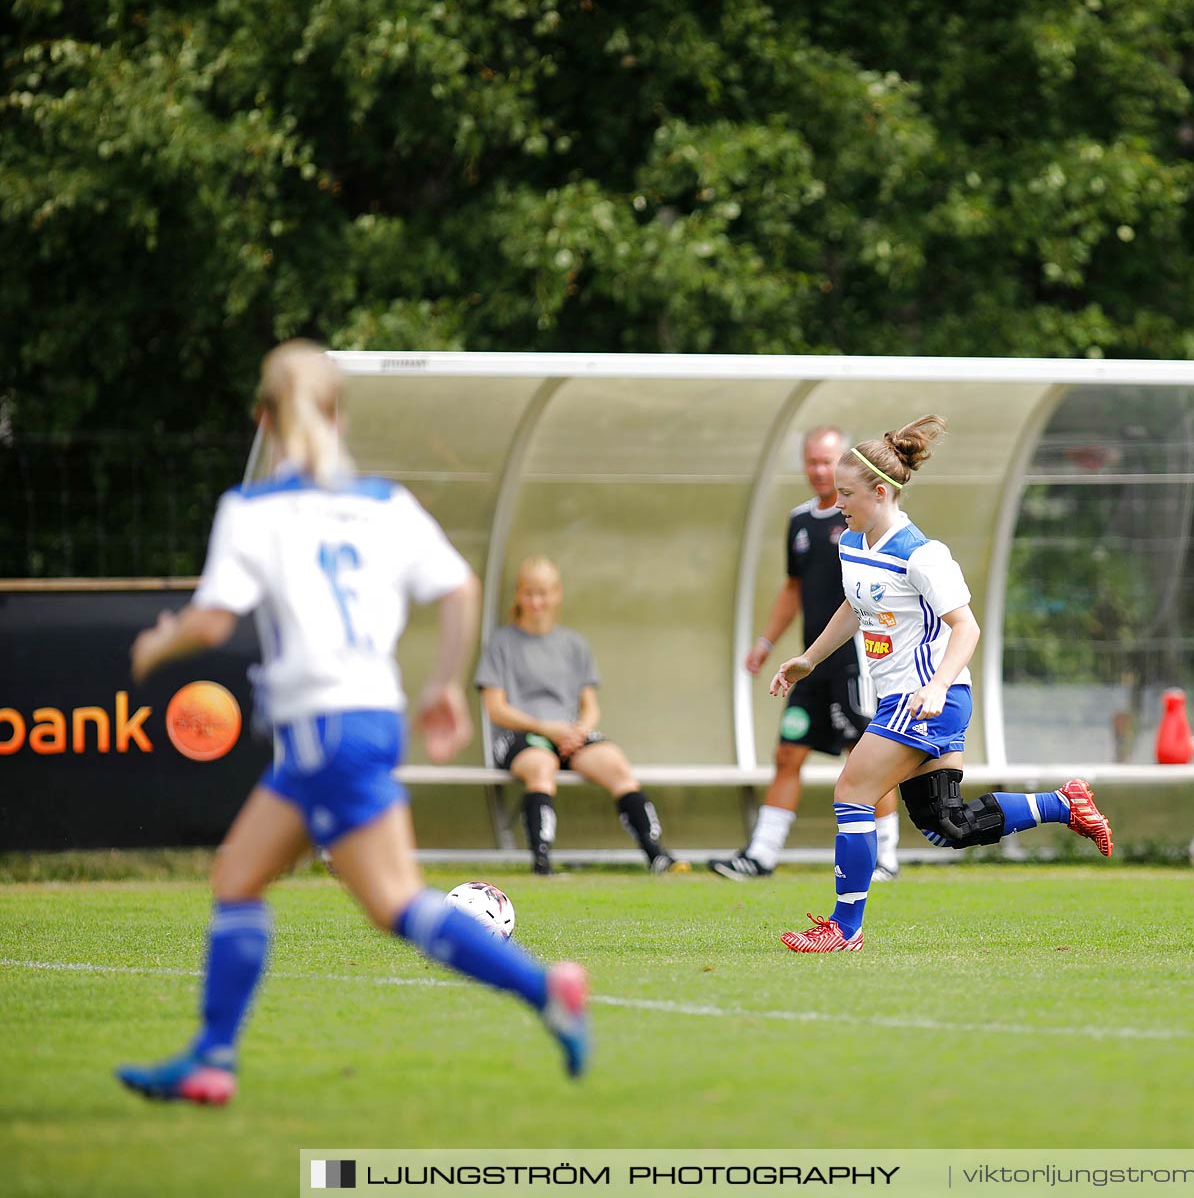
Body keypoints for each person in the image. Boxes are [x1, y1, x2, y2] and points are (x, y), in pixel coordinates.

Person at [116, 342, 587, 1106]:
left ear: (265, 420)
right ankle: (212, 1058)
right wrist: (439, 685)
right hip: (365, 719)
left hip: (323, 728)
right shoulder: (385, 503)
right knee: (241, 877)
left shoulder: (253, 509)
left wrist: (152, 644)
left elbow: (208, 624)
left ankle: (544, 989)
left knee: (396, 903)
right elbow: (462, 588)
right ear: (337, 413)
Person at [768, 416, 1114, 953]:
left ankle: (844, 928)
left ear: (881, 492)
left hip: (929, 699)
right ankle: (1064, 804)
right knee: (945, 824)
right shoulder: (854, 543)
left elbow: (966, 627)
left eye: (848, 494)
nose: (839, 503)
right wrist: (808, 660)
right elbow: (855, 608)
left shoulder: (923, 554)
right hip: (906, 700)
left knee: (852, 792)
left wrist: (936, 685)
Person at [712, 426, 902, 881]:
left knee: (866, 756)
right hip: (810, 662)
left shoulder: (861, 518)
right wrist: (764, 643)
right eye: (812, 461)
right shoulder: (799, 521)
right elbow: (793, 589)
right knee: (787, 754)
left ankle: (887, 857)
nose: (819, 470)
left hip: (854, 661)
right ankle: (761, 855)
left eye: (827, 462)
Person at [478, 556, 682, 875]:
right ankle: (542, 861)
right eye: (529, 593)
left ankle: (656, 854)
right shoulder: (501, 643)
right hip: (521, 736)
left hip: (569, 736)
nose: (536, 601)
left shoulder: (573, 644)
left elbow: (591, 706)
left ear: (557, 594)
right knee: (541, 767)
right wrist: (546, 728)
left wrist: (578, 731)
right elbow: (496, 708)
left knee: (615, 763)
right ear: (518, 594)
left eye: (543, 593)